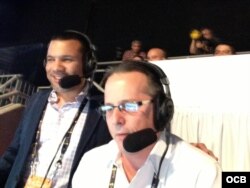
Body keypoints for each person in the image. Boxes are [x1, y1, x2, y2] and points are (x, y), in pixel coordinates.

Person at [72, 61, 221, 187]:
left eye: (129, 106)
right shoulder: (91, 163)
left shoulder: (201, 170)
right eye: (109, 108)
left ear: (161, 109)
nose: (116, 119)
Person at [0, 30, 112, 187]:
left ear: (88, 64)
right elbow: (14, 153)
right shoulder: (36, 101)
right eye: (51, 59)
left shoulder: (105, 109)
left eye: (67, 59)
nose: (56, 67)